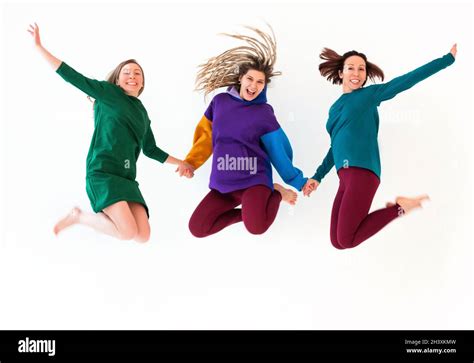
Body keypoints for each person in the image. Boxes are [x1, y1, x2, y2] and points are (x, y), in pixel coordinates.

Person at [28, 23, 188, 242]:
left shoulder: (142, 112)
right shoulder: (108, 93)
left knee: (143, 236)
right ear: (117, 78)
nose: (132, 75)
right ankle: (80, 217)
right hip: (103, 172)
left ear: (142, 82)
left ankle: (86, 218)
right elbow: (73, 77)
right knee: (128, 232)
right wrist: (39, 47)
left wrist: (181, 162)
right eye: (127, 72)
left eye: (137, 73)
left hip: (126, 176)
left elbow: (150, 149)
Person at [303, 44, 457, 249]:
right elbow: (335, 147)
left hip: (363, 173)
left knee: (347, 239)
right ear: (341, 72)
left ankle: (400, 208)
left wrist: (446, 60)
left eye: (361, 69)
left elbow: (406, 80)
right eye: (351, 68)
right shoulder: (335, 108)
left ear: (366, 74)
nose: (356, 73)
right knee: (337, 242)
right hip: (345, 176)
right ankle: (398, 208)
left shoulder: (369, 96)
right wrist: (318, 176)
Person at [177, 26, 308, 237]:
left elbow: (278, 150)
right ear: (241, 79)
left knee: (256, 228)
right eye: (250, 79)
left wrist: (297, 180)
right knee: (198, 228)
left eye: (260, 82)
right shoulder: (219, 102)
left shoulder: (264, 113)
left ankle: (275, 193)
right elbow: (206, 137)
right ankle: (248, 214)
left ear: (264, 86)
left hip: (254, 181)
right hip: (223, 183)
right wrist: (191, 162)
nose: (253, 85)